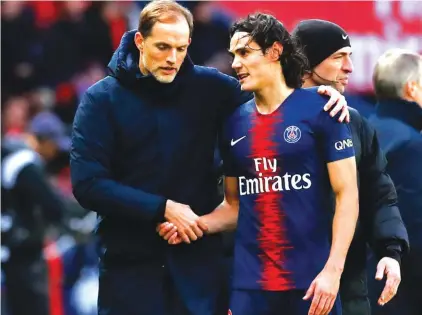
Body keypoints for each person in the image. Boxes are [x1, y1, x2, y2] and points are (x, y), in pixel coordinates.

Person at [70, 1, 349, 315]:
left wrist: (318, 95)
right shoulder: (100, 99)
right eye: (162, 47)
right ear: (139, 41)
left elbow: (274, 97)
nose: (172, 58)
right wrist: (162, 208)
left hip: (199, 273)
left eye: (180, 47)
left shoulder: (211, 88)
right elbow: (88, 184)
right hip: (130, 271)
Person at [160, 13, 359, 315]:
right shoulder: (234, 123)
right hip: (250, 289)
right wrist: (193, 225)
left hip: (311, 284)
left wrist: (333, 271)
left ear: (275, 52)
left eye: (244, 53)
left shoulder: (322, 109)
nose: (236, 63)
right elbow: (235, 206)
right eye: (233, 55)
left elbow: (348, 195)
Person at [291, 19, 410, 314]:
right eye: (338, 57)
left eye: (350, 56)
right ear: (306, 63)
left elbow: (379, 192)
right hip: (285, 285)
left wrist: (390, 251)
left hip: (347, 288)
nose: (350, 68)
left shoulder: (354, 121)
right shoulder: (266, 117)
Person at [369, 49, 422, 315]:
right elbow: (415, 225)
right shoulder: (411, 144)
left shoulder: (363, 128)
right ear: (412, 89)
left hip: (361, 279)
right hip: (397, 289)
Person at [1, 112, 68, 315]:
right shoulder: (25, 162)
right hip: (20, 254)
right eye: (54, 144)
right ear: (44, 140)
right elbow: (53, 206)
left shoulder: (13, 154)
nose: (55, 151)